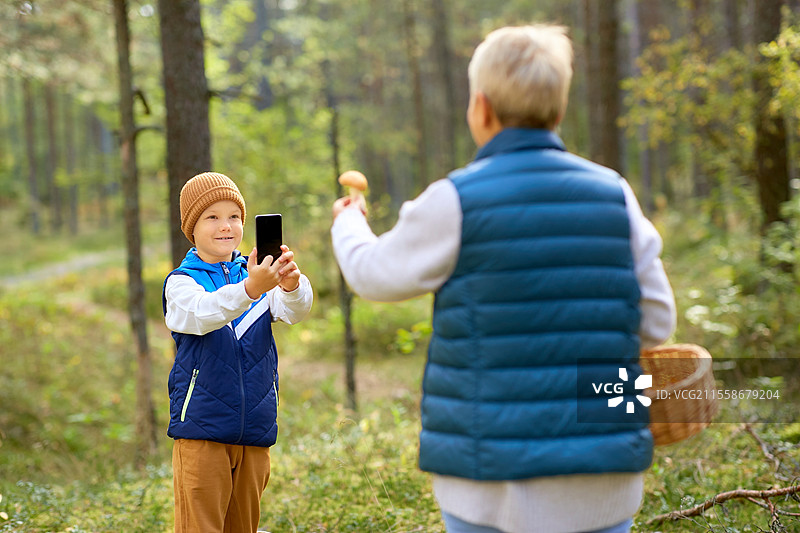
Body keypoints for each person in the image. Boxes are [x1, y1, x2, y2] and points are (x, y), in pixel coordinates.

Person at [330, 25, 675, 533]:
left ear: (482, 109)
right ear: (557, 111)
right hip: (601, 478)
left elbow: (373, 274)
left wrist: (349, 222)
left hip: (488, 479)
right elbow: (657, 320)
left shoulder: (455, 200)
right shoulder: (615, 194)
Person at [163, 171, 313, 533]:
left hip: (254, 433)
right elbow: (205, 313)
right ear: (191, 227)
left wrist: (291, 285)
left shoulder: (256, 273)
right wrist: (251, 288)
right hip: (203, 433)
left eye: (234, 217)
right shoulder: (181, 283)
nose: (225, 226)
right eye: (211, 217)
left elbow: (296, 310)